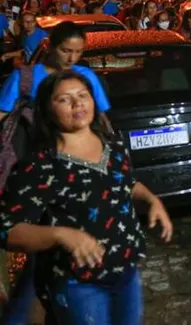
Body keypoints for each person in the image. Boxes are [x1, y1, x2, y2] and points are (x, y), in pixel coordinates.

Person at [0, 71, 172, 325]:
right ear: (47, 109)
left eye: (83, 95)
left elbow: (125, 182)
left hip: (126, 272)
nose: (77, 103)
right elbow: (8, 230)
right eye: (64, 99)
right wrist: (61, 234)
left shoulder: (112, 144)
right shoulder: (40, 165)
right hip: (78, 283)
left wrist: (150, 199)